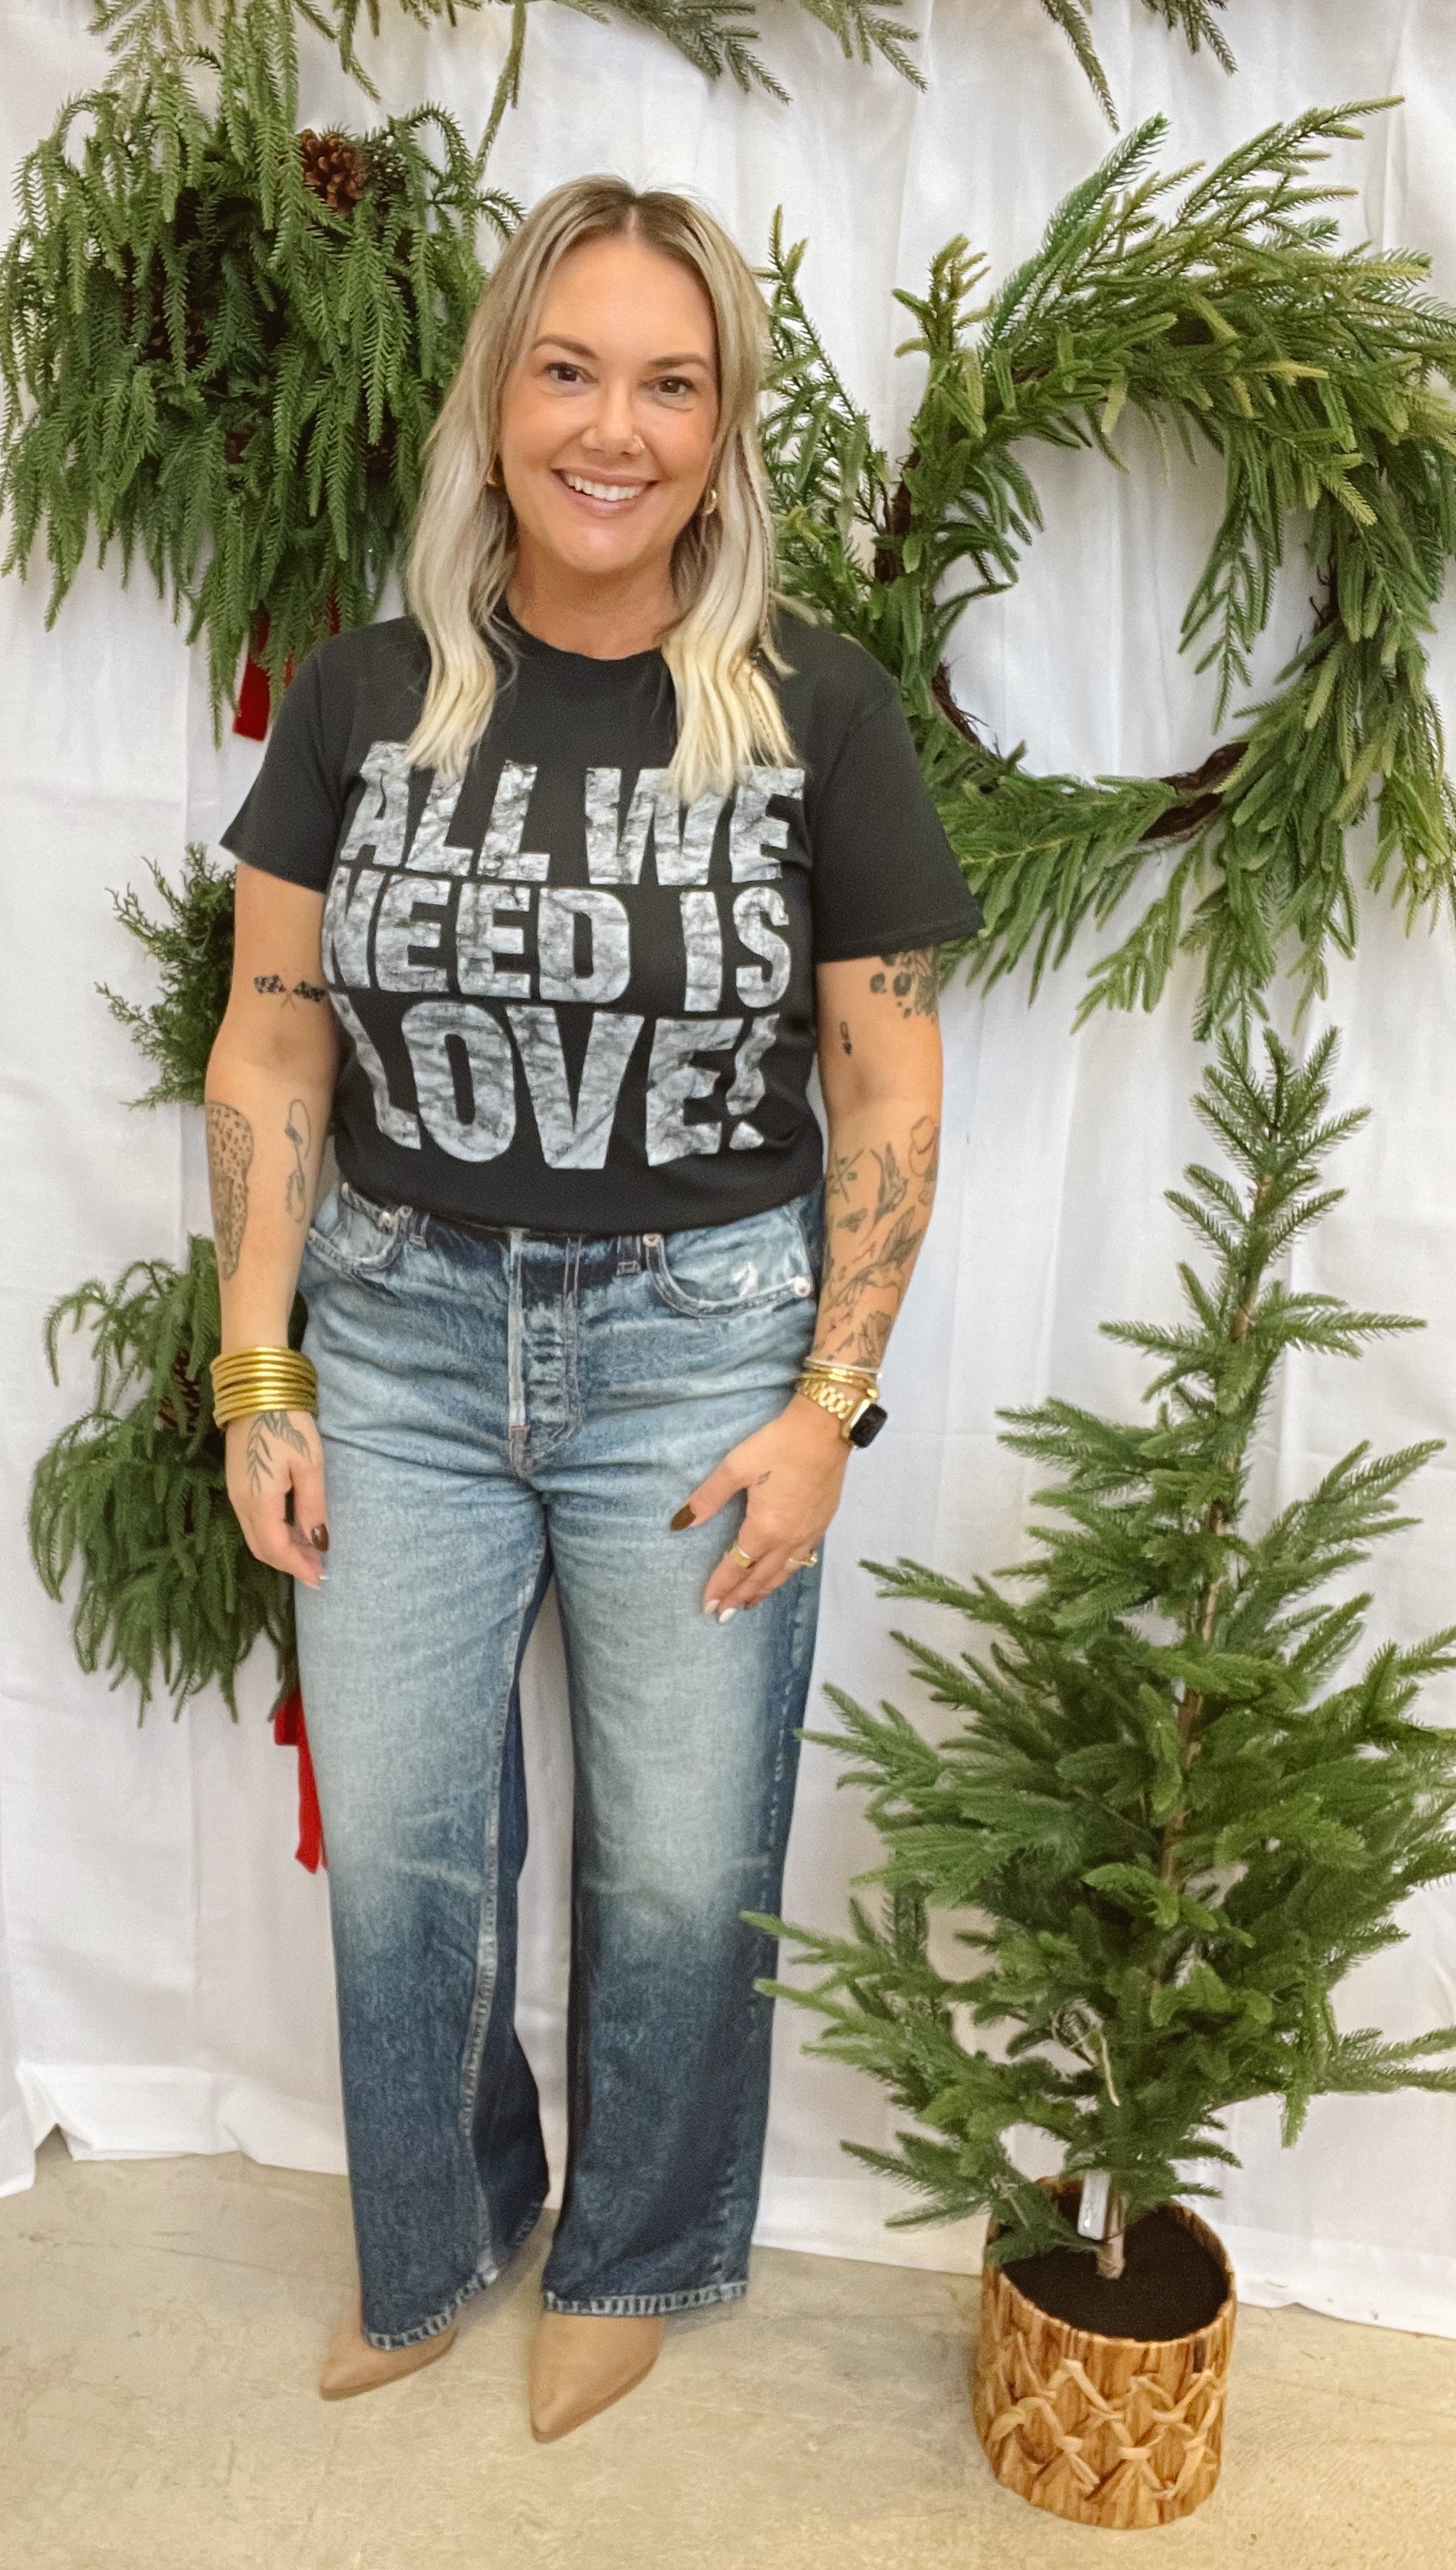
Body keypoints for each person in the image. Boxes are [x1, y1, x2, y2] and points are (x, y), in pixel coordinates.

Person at [205, 174, 979, 2443]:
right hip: (400, 1341)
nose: (611, 429)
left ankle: (636, 2249)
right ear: (498, 399)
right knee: (406, 1855)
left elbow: (887, 1076)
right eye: (567, 370)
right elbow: (271, 1045)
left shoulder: (813, 711)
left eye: (667, 382)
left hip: (700, 1348)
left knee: (682, 1855)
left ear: (722, 427)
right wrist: (259, 1367)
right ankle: (435, 2232)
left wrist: (831, 1401)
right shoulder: (365, 698)